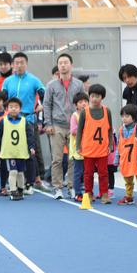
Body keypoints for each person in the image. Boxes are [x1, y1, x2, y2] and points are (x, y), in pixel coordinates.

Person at [1, 52, 45, 195]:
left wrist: (42, 106)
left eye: (22, 63)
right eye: (17, 63)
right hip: (11, 122)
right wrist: (4, 113)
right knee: (12, 152)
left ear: (26, 64)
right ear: (13, 65)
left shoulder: (34, 80)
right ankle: (12, 184)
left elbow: (45, 95)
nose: (19, 66)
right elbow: (2, 101)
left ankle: (30, 184)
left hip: (28, 121)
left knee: (31, 152)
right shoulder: (7, 81)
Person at [43, 53, 86, 199]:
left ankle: (72, 187)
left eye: (66, 62)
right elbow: (47, 105)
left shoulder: (79, 84)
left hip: (75, 126)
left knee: (74, 159)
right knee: (57, 159)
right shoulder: (51, 85)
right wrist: (48, 124)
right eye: (60, 63)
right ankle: (57, 187)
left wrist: (84, 124)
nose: (63, 65)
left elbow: (84, 105)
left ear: (71, 65)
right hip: (57, 125)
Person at [76, 84, 113, 204]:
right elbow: (79, 130)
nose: (95, 99)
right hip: (88, 149)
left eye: (97, 96)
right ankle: (88, 193)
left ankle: (104, 194)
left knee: (103, 173)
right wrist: (78, 146)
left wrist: (110, 144)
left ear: (102, 97)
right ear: (89, 97)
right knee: (88, 173)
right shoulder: (84, 112)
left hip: (102, 149)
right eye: (92, 96)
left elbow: (109, 129)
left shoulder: (107, 111)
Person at [0, 97, 36, 201]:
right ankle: (13, 191)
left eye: (16, 107)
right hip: (9, 152)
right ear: (7, 109)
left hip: (21, 152)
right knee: (12, 172)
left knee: (20, 172)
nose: (13, 109)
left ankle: (20, 190)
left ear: (20, 109)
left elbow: (29, 135)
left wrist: (31, 147)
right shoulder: (3, 122)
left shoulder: (24, 121)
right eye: (11, 107)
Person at [115, 104, 137, 206]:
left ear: (134, 117)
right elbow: (119, 145)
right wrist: (116, 159)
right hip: (125, 159)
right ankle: (129, 197)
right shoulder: (121, 130)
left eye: (127, 116)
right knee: (127, 179)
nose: (124, 118)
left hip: (136, 159)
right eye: (122, 116)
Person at [69, 92, 89, 202]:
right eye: (80, 102)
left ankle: (88, 193)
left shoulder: (90, 115)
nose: (84, 104)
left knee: (87, 172)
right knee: (78, 172)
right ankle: (77, 193)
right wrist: (86, 130)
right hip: (78, 149)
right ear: (75, 105)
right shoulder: (75, 116)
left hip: (89, 149)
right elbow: (73, 131)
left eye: (85, 102)